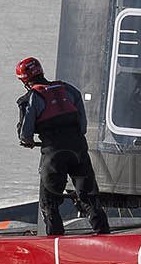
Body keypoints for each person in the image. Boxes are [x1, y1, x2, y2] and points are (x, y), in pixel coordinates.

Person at [15, 57, 109, 236]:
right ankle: (103, 233)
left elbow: (25, 134)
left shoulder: (32, 97)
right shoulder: (68, 89)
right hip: (78, 149)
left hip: (53, 153)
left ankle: (55, 240)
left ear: (25, 80)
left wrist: (28, 141)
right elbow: (82, 126)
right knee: (89, 195)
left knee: (49, 202)